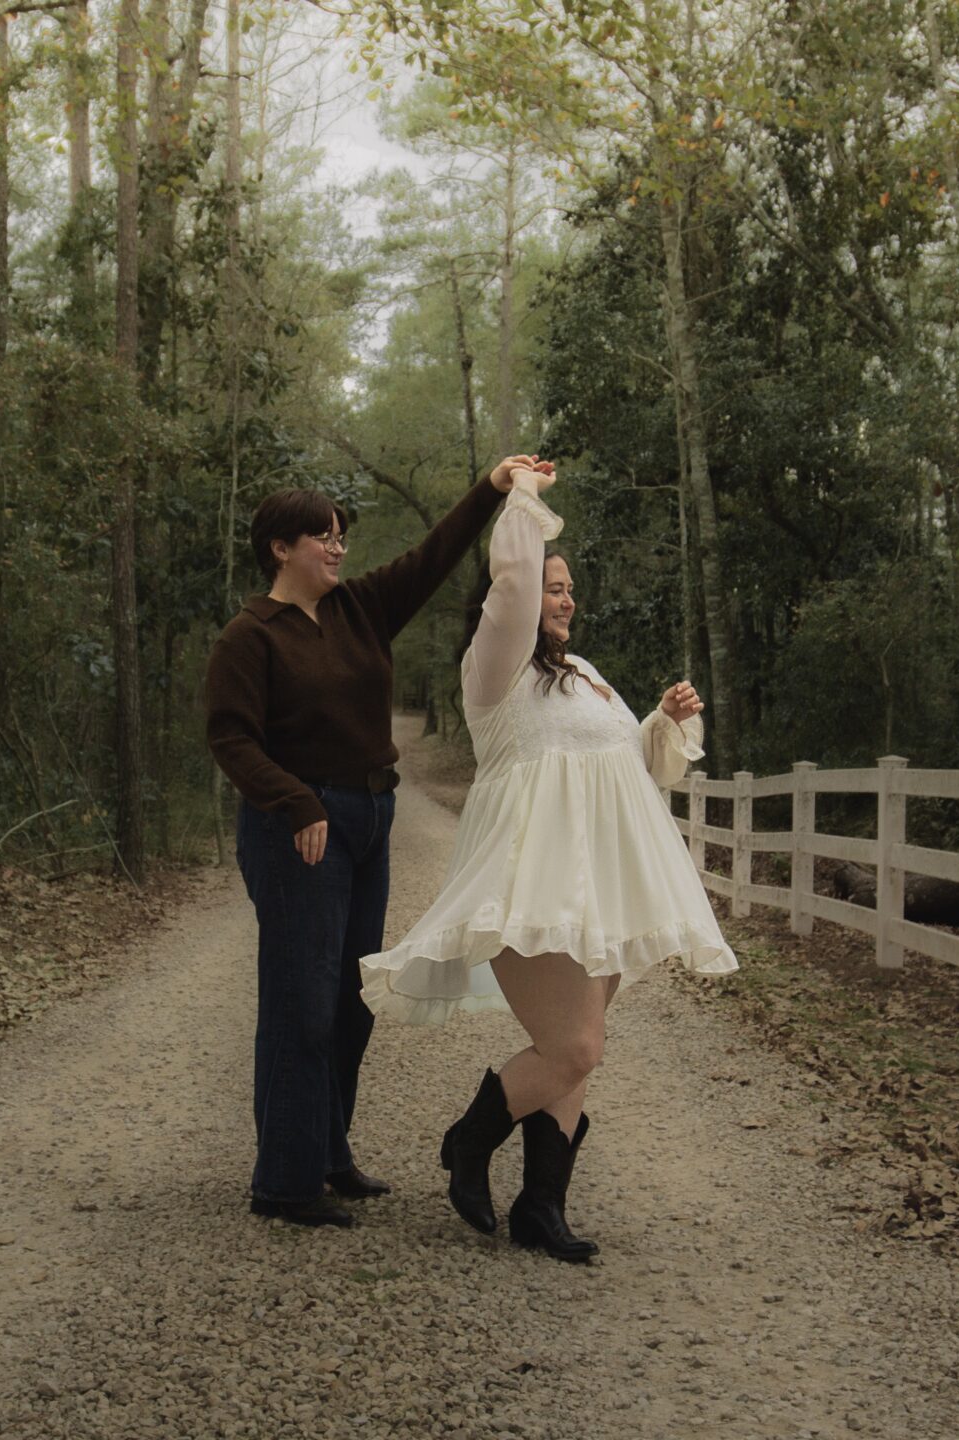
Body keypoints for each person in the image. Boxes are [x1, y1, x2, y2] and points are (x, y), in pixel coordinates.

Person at [357, 463, 735, 1262]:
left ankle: (541, 1206)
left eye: (569, 590)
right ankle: (470, 1138)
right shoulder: (493, 674)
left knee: (581, 1042)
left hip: (593, 888)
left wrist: (663, 724)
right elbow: (516, 583)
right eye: (551, 587)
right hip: (529, 886)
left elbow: (629, 772)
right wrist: (518, 498)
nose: (562, 598)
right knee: (575, 1047)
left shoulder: (587, 677)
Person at [204, 457, 538, 1228]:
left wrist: (491, 489)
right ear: (280, 548)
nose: (338, 547)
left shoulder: (361, 609)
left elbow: (434, 554)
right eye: (321, 536)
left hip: (369, 821)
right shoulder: (249, 635)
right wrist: (293, 801)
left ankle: (327, 1155)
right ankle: (284, 1184)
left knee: (351, 1003)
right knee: (302, 1003)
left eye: (341, 535)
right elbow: (230, 736)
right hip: (298, 831)